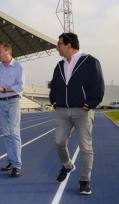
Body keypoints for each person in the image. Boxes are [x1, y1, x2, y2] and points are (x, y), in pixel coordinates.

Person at [49, 33, 104, 194]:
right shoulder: (59, 65)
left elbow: (98, 85)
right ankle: (67, 166)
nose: (57, 47)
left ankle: (84, 180)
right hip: (62, 111)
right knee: (58, 142)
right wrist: (54, 101)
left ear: (68, 45)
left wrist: (90, 103)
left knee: (86, 147)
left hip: (82, 111)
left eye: (59, 44)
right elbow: (55, 86)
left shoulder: (90, 61)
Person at [0, 43, 25, 177]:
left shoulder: (18, 67)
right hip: (0, 103)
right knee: (7, 134)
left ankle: (17, 165)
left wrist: (4, 89)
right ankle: (11, 160)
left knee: (14, 133)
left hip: (13, 102)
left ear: (7, 52)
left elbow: (20, 86)